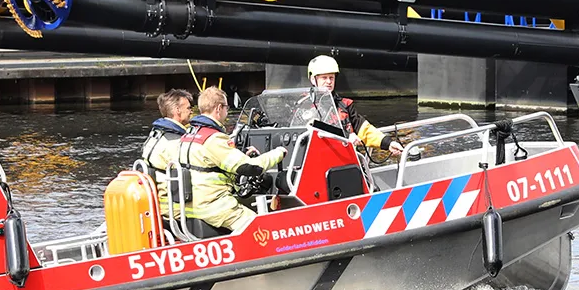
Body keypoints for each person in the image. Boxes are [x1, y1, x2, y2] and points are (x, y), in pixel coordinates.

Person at [176, 86, 287, 235]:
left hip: (190, 206)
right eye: (226, 108)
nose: (226, 112)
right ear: (219, 108)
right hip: (214, 207)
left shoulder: (187, 136)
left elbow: (209, 164)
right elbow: (250, 168)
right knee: (264, 229)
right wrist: (278, 153)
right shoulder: (213, 138)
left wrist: (241, 154)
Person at [306, 55, 404, 156]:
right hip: (317, 157)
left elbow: (364, 129)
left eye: (331, 77)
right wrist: (347, 136)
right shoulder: (304, 105)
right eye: (324, 78)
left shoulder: (345, 104)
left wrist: (388, 143)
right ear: (313, 79)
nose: (329, 82)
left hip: (345, 158)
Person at [138, 89, 194, 217]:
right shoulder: (175, 142)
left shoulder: (155, 136)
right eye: (188, 108)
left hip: (155, 203)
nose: (191, 111)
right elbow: (193, 173)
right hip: (173, 207)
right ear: (177, 110)